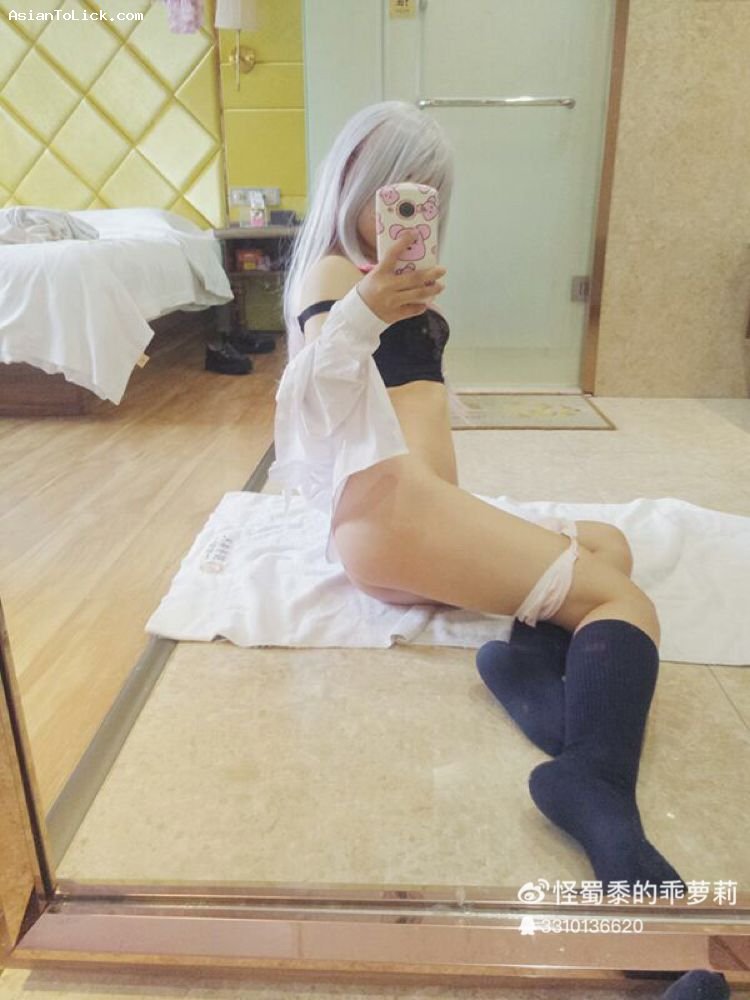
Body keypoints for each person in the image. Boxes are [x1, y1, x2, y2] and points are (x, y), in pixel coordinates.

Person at [270, 101, 683, 894]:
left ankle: (531, 679)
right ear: (355, 181)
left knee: (609, 546)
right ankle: (595, 785)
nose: (409, 208)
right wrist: (364, 310)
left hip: (416, 514)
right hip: (394, 516)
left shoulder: (380, 279)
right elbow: (314, 395)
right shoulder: (335, 275)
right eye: (394, 189)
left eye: (425, 193)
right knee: (621, 601)